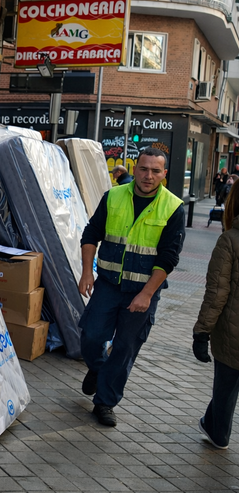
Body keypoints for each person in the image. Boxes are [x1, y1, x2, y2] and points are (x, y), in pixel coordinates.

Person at [78, 148, 185, 427]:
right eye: (143, 169)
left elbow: (168, 257)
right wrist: (86, 272)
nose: (148, 176)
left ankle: (104, 403)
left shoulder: (173, 207)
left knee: (125, 348)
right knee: (90, 336)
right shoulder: (113, 196)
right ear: (134, 169)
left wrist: (147, 294)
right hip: (108, 285)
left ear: (164, 174)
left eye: (155, 171)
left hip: (142, 291)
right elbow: (91, 233)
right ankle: (99, 368)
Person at [192, 184, 239, 449]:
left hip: (232, 330)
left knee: (226, 385)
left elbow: (217, 292)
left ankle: (218, 432)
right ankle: (213, 425)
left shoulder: (230, 239)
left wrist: (201, 331)